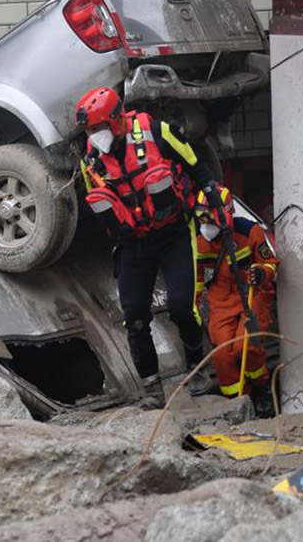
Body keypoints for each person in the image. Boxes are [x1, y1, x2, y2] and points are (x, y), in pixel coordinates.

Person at [76, 87, 218, 407]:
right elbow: (99, 204)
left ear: (117, 121)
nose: (94, 136)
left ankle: (198, 369)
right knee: (136, 317)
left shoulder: (157, 132)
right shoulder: (91, 160)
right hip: (133, 242)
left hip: (174, 233)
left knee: (182, 306)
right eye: (89, 130)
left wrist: (211, 196)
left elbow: (197, 166)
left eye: (98, 128)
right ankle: (152, 391)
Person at [194, 186, 279, 416]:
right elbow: (198, 277)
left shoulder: (249, 232)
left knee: (246, 345)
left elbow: (271, 263)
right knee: (222, 352)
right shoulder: (199, 239)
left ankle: (262, 390)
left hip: (253, 292)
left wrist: (262, 273)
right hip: (221, 296)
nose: (205, 223)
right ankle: (237, 398)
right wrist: (195, 304)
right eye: (200, 215)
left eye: (209, 215)